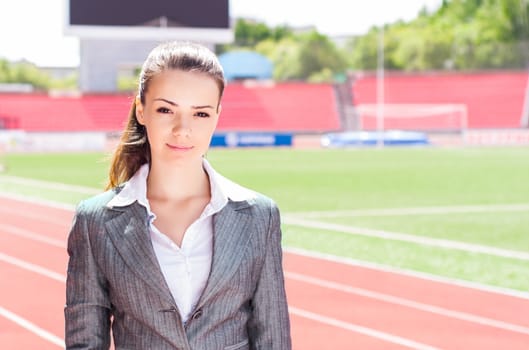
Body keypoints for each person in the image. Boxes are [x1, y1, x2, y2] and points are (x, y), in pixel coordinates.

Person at [64, 41, 292, 350]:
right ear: (141, 111)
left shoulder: (259, 216)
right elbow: (85, 344)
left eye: (200, 113)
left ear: (217, 116)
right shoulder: (96, 223)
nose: (183, 129)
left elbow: (273, 340)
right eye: (166, 109)